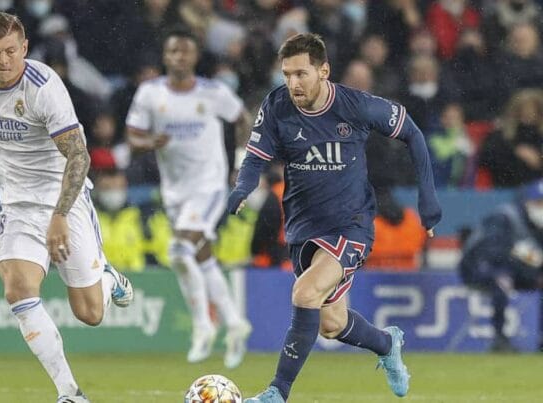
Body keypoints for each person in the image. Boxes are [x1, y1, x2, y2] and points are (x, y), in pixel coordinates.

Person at [227, 33, 442, 402]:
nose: (293, 83)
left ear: (323, 71)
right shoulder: (277, 105)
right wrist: (242, 187)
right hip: (302, 227)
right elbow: (256, 155)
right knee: (332, 323)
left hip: (350, 224)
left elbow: (413, 133)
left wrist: (428, 199)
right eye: (287, 74)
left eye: (301, 74)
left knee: (305, 292)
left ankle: (277, 392)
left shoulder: (356, 105)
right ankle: (386, 343)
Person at [0, 12, 133, 403]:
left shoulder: (44, 88)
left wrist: (59, 216)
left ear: (24, 48)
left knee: (90, 314)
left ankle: (108, 280)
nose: (3, 60)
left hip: (63, 198)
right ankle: (69, 393)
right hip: (17, 204)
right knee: (18, 290)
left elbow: (79, 156)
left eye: (10, 51)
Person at [125, 29, 253, 369]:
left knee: (180, 250)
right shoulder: (150, 93)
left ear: (195, 57)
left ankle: (203, 326)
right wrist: (150, 142)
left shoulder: (213, 92)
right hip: (175, 190)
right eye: (174, 51)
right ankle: (234, 322)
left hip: (208, 185)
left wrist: (240, 162)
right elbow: (133, 137)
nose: (180, 57)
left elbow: (243, 119)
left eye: (186, 51)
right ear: (165, 57)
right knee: (201, 255)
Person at [459, 179, 543, 352]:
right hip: (479, 267)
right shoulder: (504, 217)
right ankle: (499, 338)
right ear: (527, 202)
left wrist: (535, 274)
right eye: (539, 203)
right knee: (502, 279)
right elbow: (492, 253)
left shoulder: (537, 226)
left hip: (515, 269)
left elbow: (533, 257)